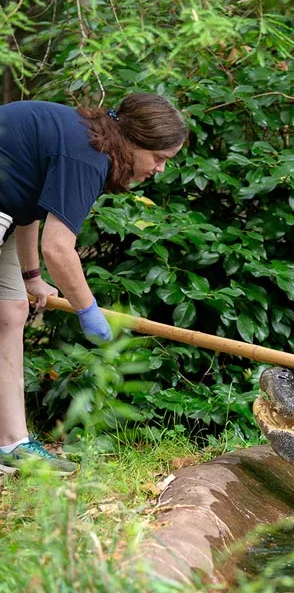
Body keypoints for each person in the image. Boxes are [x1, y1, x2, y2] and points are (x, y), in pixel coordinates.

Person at [0, 93, 188, 474]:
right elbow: (59, 247)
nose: (160, 170)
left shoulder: (87, 143)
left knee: (11, 311)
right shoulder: (88, 156)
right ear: (135, 142)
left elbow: (29, 210)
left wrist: (32, 279)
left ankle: (12, 446)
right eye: (160, 158)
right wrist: (88, 310)